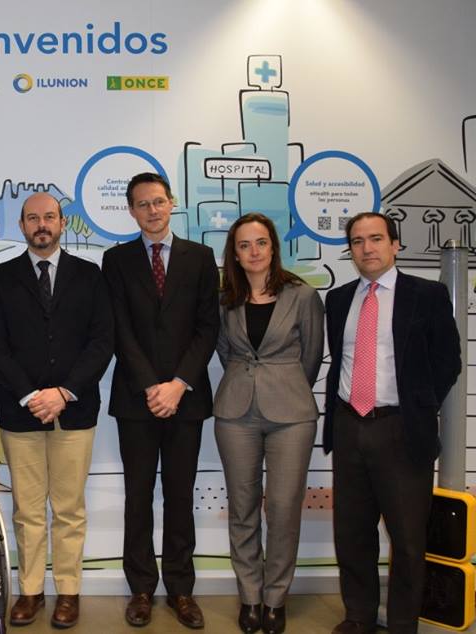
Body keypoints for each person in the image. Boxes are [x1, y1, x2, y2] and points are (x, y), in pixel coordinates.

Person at [0, 192, 114, 628]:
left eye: (50, 217)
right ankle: (31, 591)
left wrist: (65, 392)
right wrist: (30, 395)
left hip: (75, 411)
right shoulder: (1, 277)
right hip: (21, 414)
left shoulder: (89, 275)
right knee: (28, 510)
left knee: (70, 509)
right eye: (33, 218)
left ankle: (69, 592)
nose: (42, 224)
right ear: (22, 225)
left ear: (61, 223)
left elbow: (102, 342)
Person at [324, 212, 461, 634]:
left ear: (395, 244)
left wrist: (417, 406)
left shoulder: (427, 294)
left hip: (402, 430)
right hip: (349, 426)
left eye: (376, 238)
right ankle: (359, 615)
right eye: (358, 241)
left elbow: (448, 361)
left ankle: (403, 623)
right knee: (352, 533)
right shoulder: (339, 300)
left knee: (407, 538)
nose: (367, 248)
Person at [101, 173, 220, 629]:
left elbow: (208, 327)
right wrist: (152, 385)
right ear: (131, 211)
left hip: (186, 399)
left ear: (172, 203)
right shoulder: (116, 260)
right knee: (138, 497)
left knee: (179, 495)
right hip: (137, 399)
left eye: (158, 201)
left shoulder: (201, 257)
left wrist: (178, 383)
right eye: (142, 204)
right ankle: (141, 589)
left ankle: (182, 590)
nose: (152, 210)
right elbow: (118, 328)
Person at [213, 213, 324, 634]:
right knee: (242, 507)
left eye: (260, 242)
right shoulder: (226, 299)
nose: (254, 251)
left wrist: (285, 385)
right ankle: (250, 596)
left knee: (282, 507)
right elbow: (225, 352)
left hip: (292, 415)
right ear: (235, 254)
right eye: (244, 245)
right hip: (235, 412)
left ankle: (276, 598)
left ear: (273, 246)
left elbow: (311, 357)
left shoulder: (303, 295)